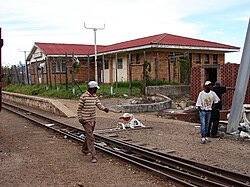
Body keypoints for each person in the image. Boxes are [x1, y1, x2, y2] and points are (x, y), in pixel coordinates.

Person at [77, 81, 109, 163]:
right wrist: (80, 118)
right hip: (85, 120)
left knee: (89, 135)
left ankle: (84, 149)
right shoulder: (83, 97)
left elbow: (99, 105)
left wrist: (104, 109)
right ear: (92, 89)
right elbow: (79, 109)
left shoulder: (95, 97)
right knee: (91, 137)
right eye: (95, 89)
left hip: (93, 119)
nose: (96, 91)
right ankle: (94, 156)